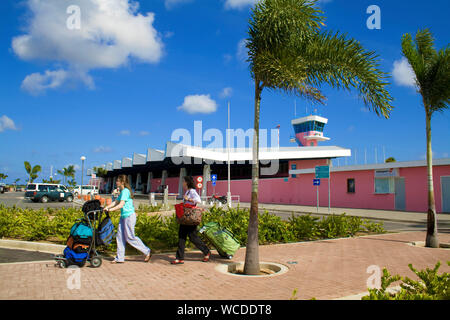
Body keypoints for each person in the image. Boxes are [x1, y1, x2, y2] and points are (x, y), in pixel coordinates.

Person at [103, 174, 151, 264]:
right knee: (120, 237)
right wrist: (106, 207)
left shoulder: (125, 191)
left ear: (122, 182)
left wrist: (110, 210)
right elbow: (116, 202)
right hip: (123, 216)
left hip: (129, 216)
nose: (116, 182)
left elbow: (121, 205)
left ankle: (147, 251)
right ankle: (119, 258)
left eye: (117, 181)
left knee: (130, 237)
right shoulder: (122, 191)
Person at [171, 176, 210, 265]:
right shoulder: (188, 191)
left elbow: (198, 200)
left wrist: (188, 199)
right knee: (181, 237)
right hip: (185, 218)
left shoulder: (192, 191)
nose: (182, 183)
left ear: (187, 182)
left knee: (193, 237)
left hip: (190, 217)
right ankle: (179, 258)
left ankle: (206, 251)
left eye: (183, 181)